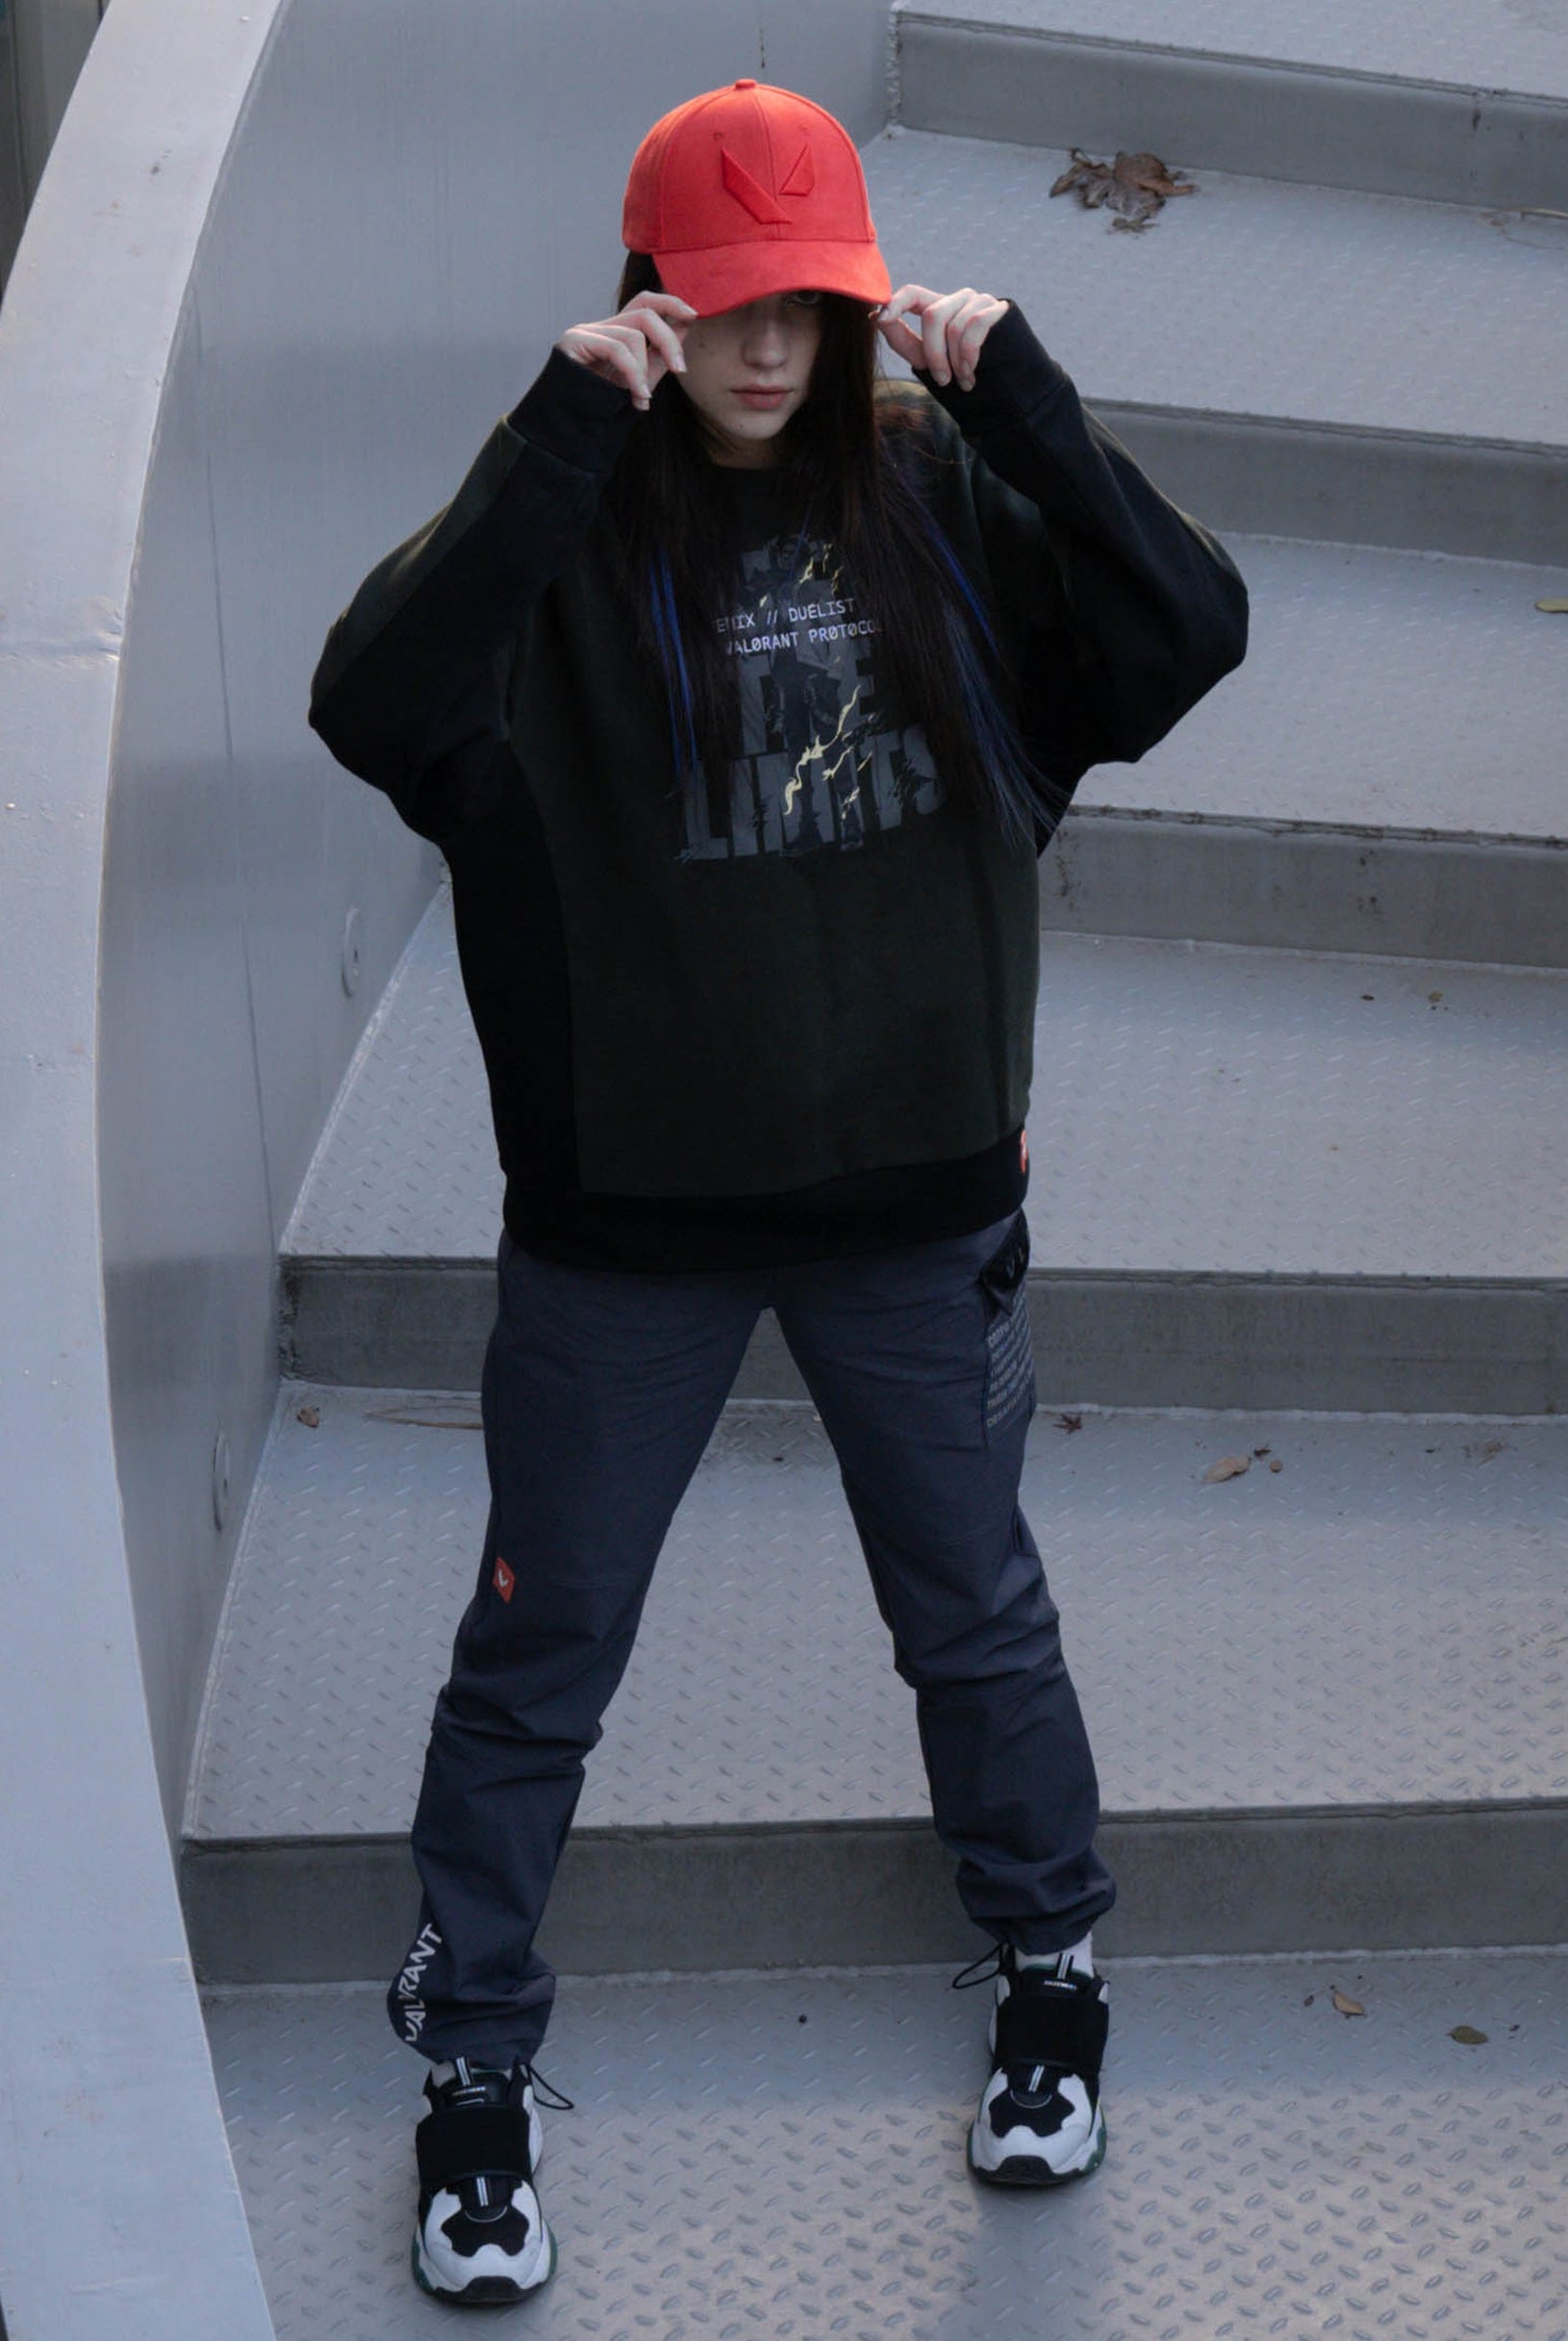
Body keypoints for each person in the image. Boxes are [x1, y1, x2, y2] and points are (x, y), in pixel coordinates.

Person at [310, 75, 1248, 2307]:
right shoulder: (559, 537)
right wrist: (556, 430)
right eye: (723, 304)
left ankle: (1049, 1968)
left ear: (849, 308)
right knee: (539, 1650)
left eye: (804, 306)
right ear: (647, 296)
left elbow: (1186, 629)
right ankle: (473, 2070)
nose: (764, 348)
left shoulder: (947, 500)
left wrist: (1025, 400)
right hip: (621, 1233)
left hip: (915, 1207)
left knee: (972, 1610)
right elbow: (376, 699)